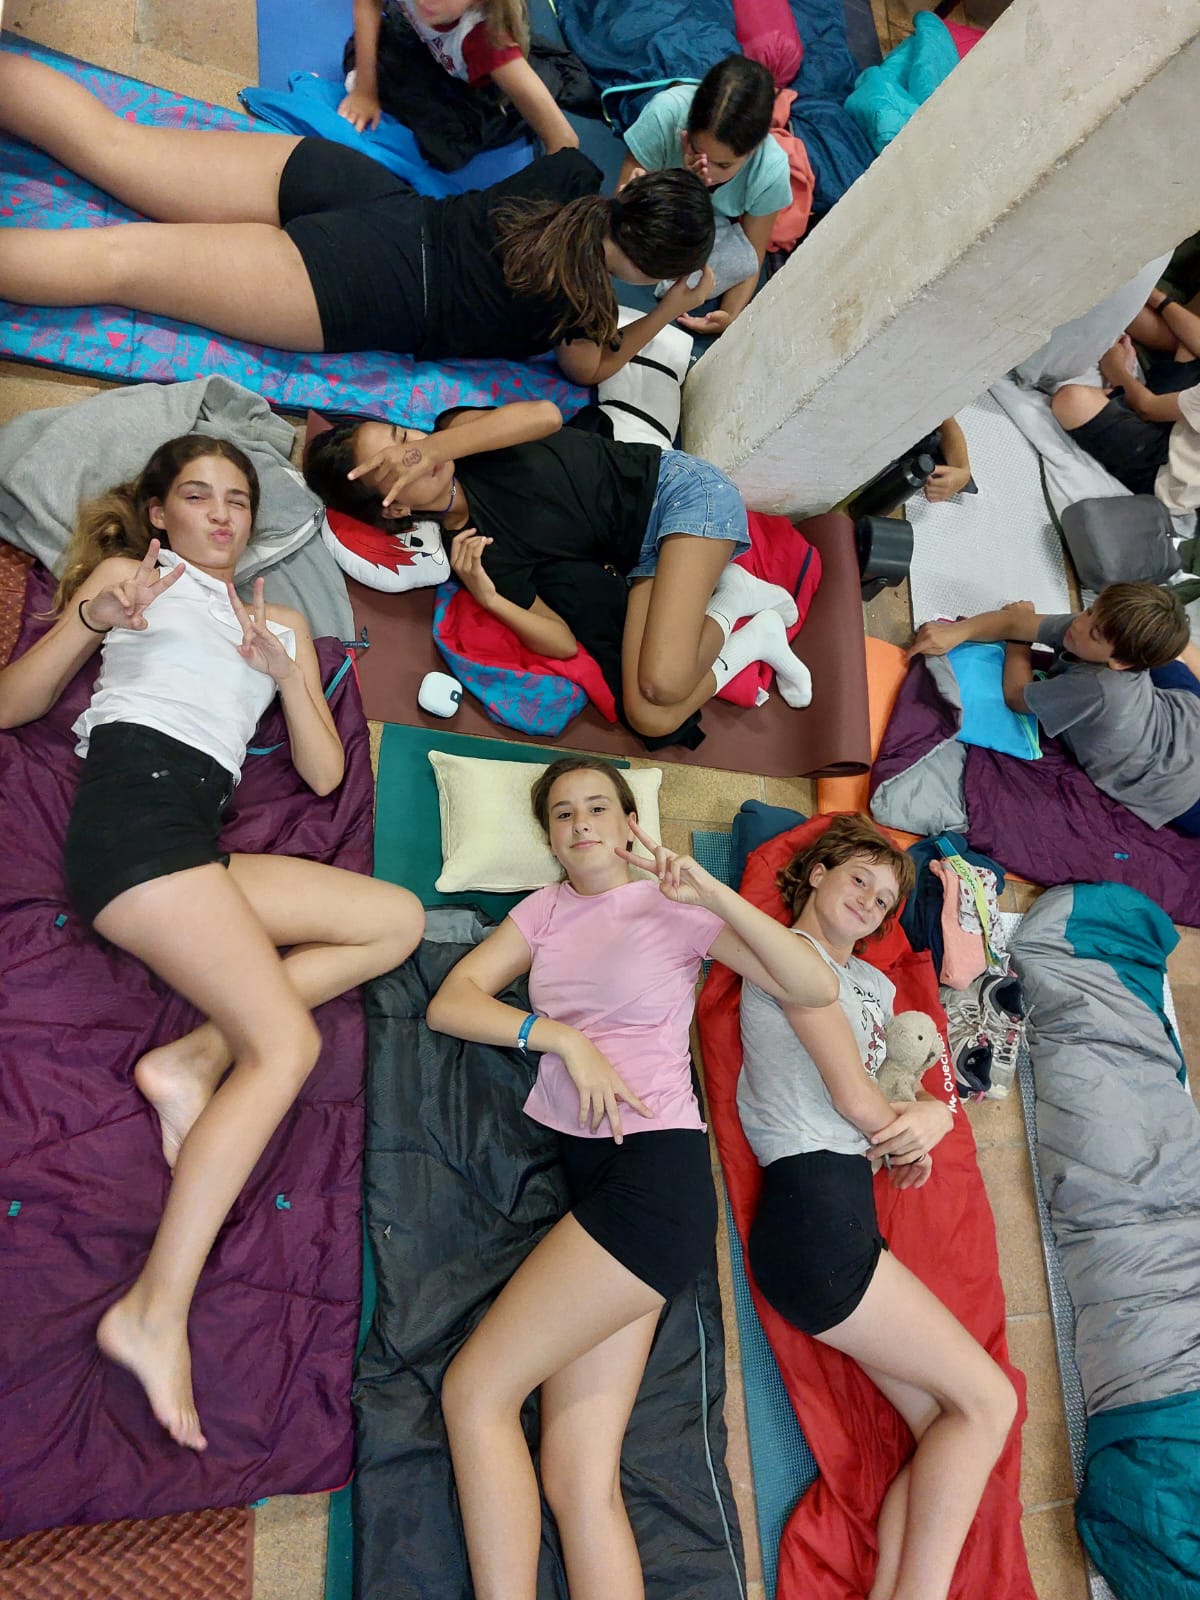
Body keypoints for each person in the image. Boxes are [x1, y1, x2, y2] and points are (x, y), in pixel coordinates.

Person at [0, 434, 424, 1451]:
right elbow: (13, 705)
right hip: (131, 827)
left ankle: (191, 1058)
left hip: (195, 842)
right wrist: (90, 620)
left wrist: (288, 675)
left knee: (396, 920)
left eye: (237, 499)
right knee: (288, 1047)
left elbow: (323, 776)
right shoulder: (127, 580)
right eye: (197, 496)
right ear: (159, 513)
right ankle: (155, 1308)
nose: (223, 515)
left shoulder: (280, 620)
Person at [425, 754, 847, 1600]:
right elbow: (453, 1001)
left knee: (476, 1393)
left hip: (654, 1179)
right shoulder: (543, 911)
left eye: (598, 807)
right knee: (577, 1478)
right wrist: (559, 1037)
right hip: (603, 1186)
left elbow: (813, 984)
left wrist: (711, 893)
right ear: (550, 839)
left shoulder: (674, 906)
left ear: (629, 825)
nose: (581, 823)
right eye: (563, 814)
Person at [0, 50, 714, 384]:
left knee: (116, 144)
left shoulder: (574, 171)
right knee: (120, 260)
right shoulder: (585, 312)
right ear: (650, 269)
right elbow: (591, 372)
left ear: (635, 190)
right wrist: (672, 308)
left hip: (359, 188)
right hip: (361, 288)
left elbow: (523, 82)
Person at [737, 814, 1018, 1600]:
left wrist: (913, 1132)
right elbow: (857, 1100)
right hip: (812, 1221)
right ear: (816, 873)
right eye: (857, 877)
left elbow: (888, 1094)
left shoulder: (879, 987)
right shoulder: (786, 956)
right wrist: (930, 1118)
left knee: (946, 1423)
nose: (870, 899)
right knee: (991, 1401)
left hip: (845, 1220)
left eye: (885, 896)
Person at [304, 401, 816, 743]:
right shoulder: (475, 551)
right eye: (397, 465)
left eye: (404, 439)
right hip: (646, 555)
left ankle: (733, 597)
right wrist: (489, 598)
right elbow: (561, 641)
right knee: (650, 716)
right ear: (394, 508)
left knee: (663, 682)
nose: (414, 453)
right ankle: (754, 628)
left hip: (679, 493)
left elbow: (545, 416)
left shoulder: (460, 435)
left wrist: (436, 445)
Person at [909, 586, 1200, 836]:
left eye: (1095, 633)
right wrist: (957, 632)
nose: (1079, 624)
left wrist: (1019, 644)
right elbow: (1014, 622)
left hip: (1178, 786)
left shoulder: (1097, 686)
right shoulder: (1093, 628)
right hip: (1185, 717)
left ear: (1121, 663)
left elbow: (1016, 696)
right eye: (1090, 610)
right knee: (1172, 665)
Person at [617, 56, 791, 338]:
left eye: (724, 164)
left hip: (707, 224)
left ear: (753, 149)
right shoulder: (666, 114)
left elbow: (751, 253)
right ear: (687, 130)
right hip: (667, 199)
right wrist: (678, 183)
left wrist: (729, 315)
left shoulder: (769, 172)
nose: (708, 170)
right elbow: (623, 200)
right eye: (697, 150)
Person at [338, 0, 577, 157]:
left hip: (477, 89)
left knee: (443, 143)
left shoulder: (488, 43)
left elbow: (564, 140)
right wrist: (365, 89)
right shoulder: (437, 8)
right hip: (434, 50)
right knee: (372, 51)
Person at [1050, 295, 1200, 512]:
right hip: (1181, 426)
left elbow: (1147, 408)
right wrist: (1155, 296)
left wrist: (1116, 367)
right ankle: (1115, 295)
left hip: (1163, 473)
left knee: (1072, 401)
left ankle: (1116, 299)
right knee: (1186, 339)